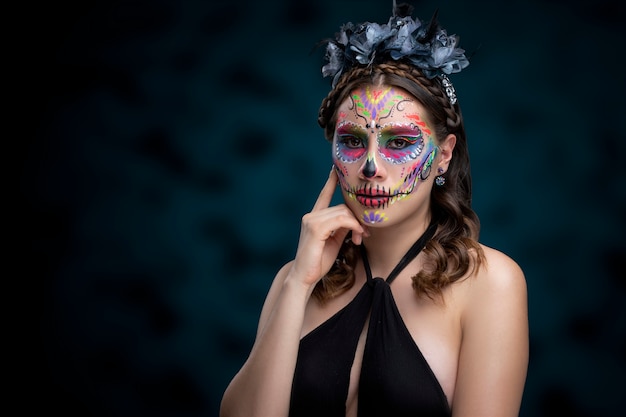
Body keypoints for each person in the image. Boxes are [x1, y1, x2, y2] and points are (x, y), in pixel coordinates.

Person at [220, 3, 528, 416]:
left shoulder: (489, 284)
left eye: (399, 143)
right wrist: (298, 284)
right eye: (351, 141)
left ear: (444, 156)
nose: (369, 167)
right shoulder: (294, 279)